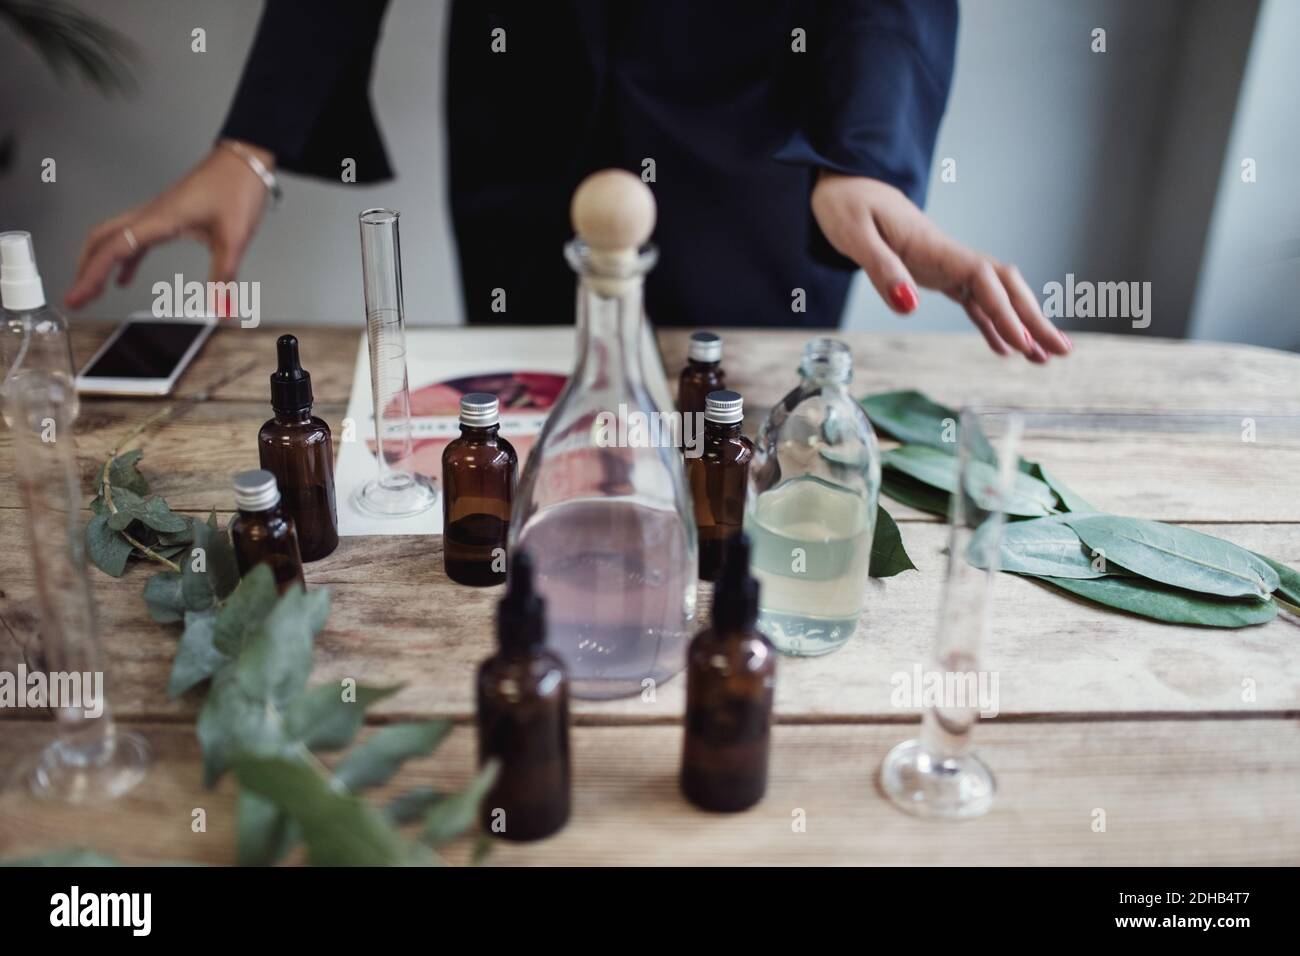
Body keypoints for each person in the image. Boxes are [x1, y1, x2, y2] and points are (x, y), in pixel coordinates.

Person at [67, 0, 1069, 363]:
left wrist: (865, 154)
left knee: (723, 451)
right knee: (525, 425)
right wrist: (253, 139)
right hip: (526, 125)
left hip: (758, 158)